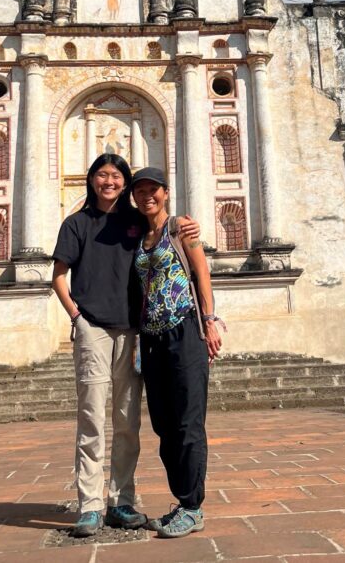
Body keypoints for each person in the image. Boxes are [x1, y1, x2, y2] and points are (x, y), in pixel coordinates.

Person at [51, 153, 198, 538]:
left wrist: (187, 227)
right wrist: (77, 318)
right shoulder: (76, 223)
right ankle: (89, 505)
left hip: (134, 331)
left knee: (127, 420)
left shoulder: (137, 223)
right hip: (93, 330)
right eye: (102, 175)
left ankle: (121, 500)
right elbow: (59, 277)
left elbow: (167, 233)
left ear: (125, 183)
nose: (109, 182)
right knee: (91, 418)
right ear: (92, 180)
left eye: (116, 176)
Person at [130, 167, 223, 539]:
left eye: (153, 190)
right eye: (140, 191)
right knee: (164, 424)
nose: (147, 196)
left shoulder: (182, 229)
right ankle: (181, 501)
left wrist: (211, 320)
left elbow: (202, 274)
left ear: (165, 193)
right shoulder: (138, 237)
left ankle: (192, 506)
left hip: (184, 330)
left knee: (188, 422)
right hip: (152, 338)